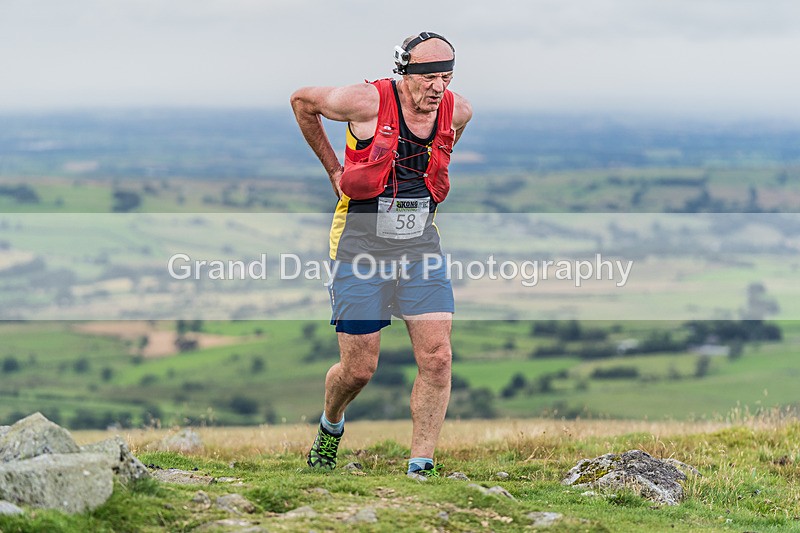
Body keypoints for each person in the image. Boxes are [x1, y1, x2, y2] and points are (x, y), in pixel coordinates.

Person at [290, 31, 472, 480]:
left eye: (446, 77)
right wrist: (334, 169)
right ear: (405, 71)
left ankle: (420, 467)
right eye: (429, 77)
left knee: (438, 358)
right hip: (360, 247)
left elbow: (442, 151)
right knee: (358, 369)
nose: (438, 87)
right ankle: (331, 424)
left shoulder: (458, 111)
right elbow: (302, 101)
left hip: (420, 247)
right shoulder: (365, 102)